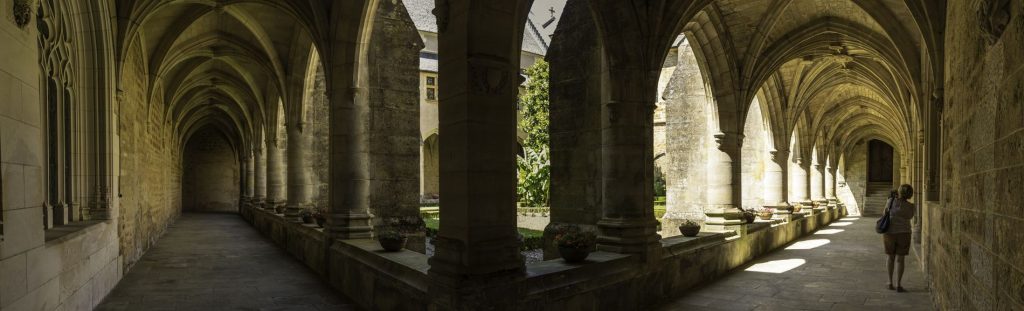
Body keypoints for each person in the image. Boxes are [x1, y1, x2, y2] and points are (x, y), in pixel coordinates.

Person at [883, 184, 915, 292]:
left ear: (900, 192)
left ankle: (889, 282)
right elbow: (910, 216)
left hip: (890, 233)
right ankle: (899, 285)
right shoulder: (911, 207)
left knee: (890, 257)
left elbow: (884, 214)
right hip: (904, 233)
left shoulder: (890, 201)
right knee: (901, 259)